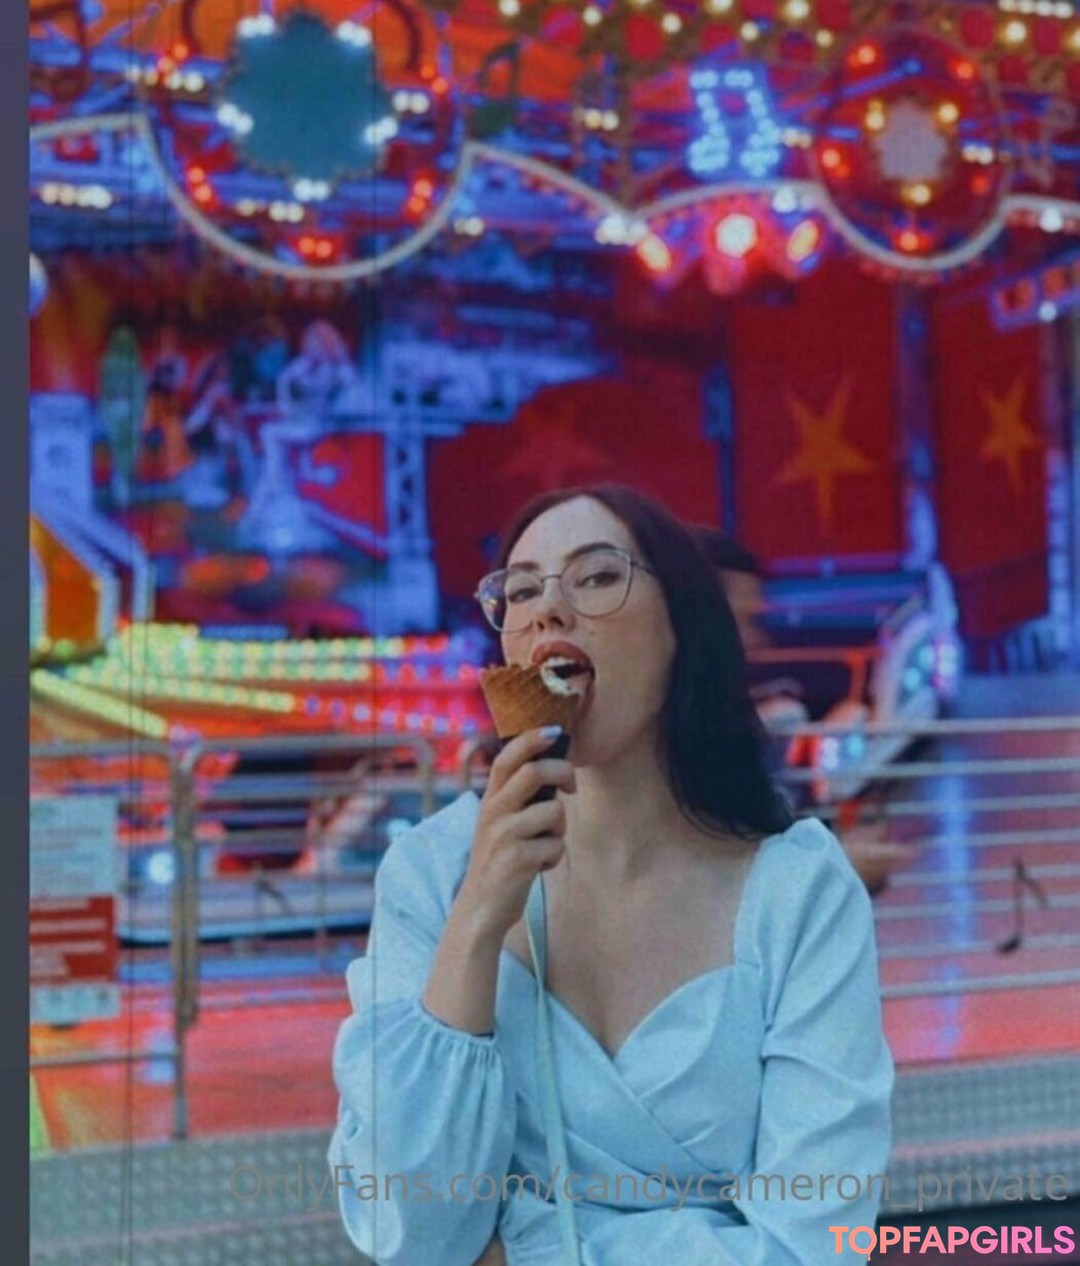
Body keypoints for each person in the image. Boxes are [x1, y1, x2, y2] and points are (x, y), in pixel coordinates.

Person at [328, 484, 894, 1265]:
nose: (546, 612)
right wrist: (477, 921)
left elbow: (815, 1241)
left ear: (682, 629)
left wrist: (526, 1252)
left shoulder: (799, 890)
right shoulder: (430, 873)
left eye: (595, 577)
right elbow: (408, 1227)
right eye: (520, 592)